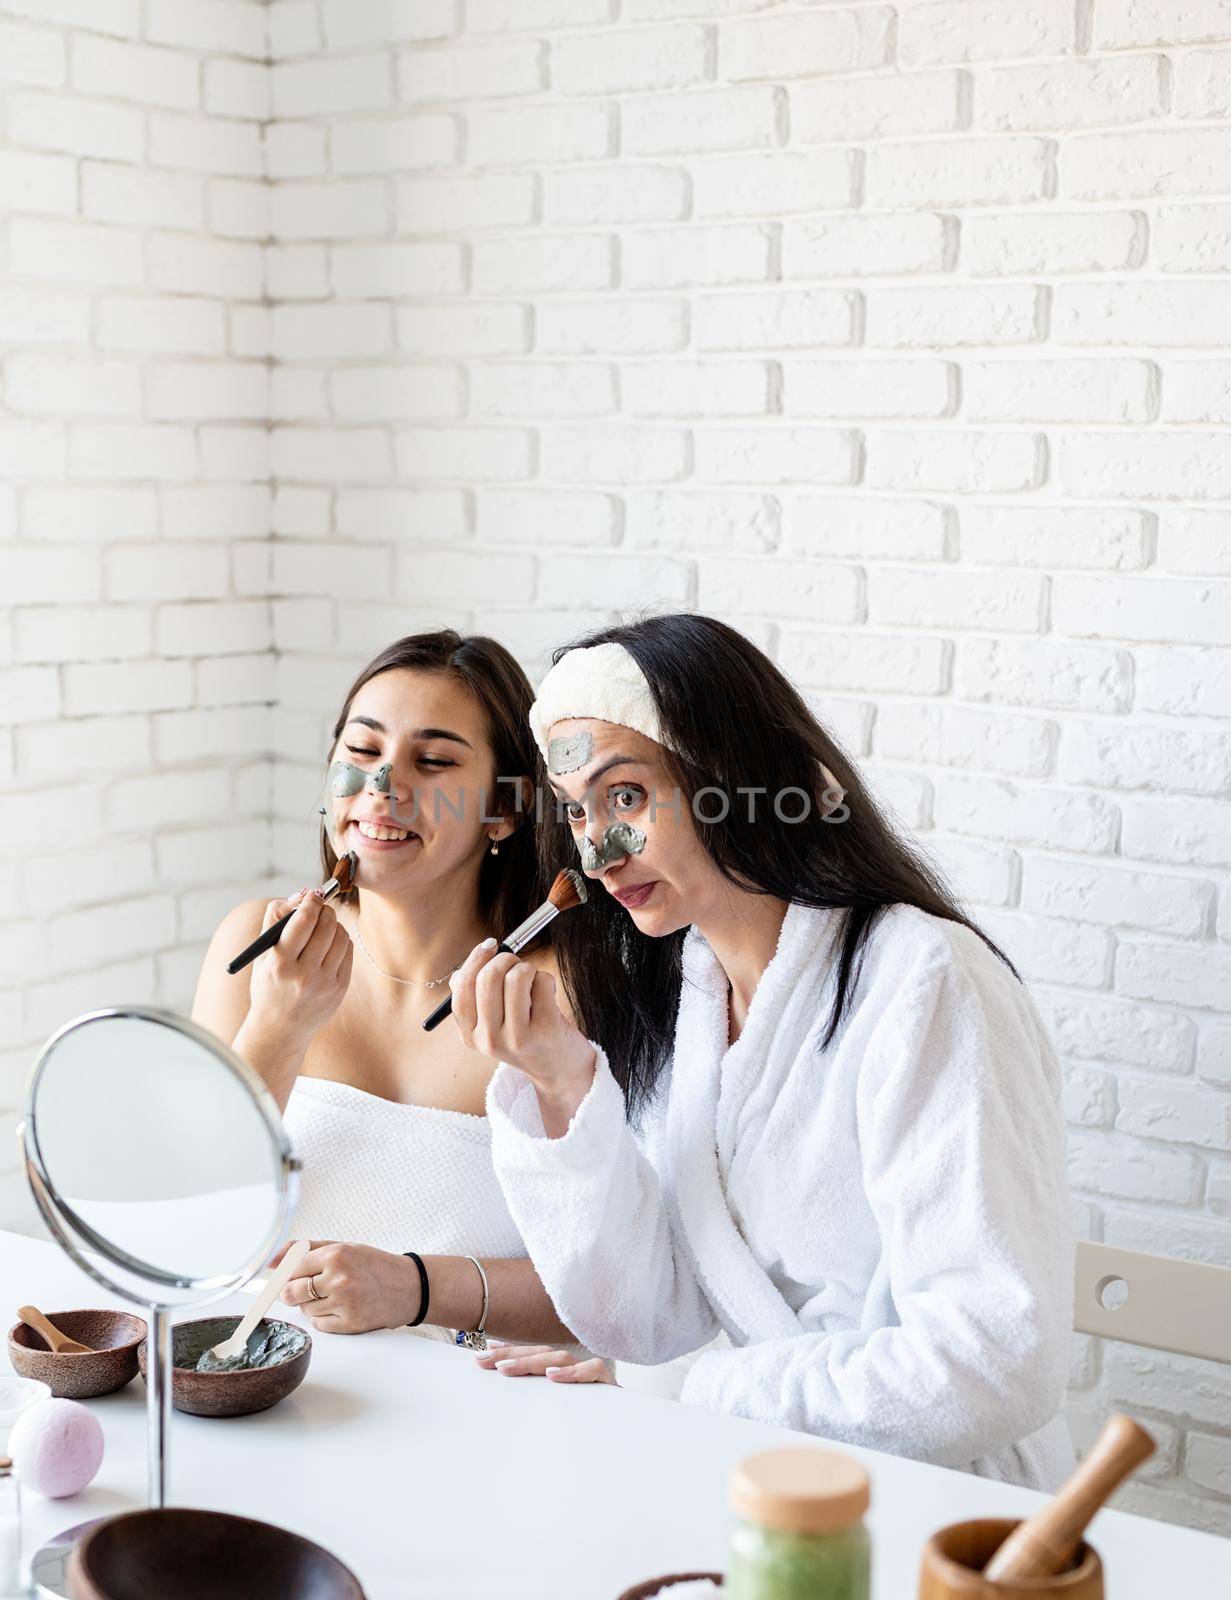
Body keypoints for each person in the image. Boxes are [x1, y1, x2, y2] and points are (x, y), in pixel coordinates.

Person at [452, 614, 1077, 1488]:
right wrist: (558, 1083)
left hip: (943, 1507)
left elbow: (994, 1359)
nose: (597, 852)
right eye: (576, 812)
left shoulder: (923, 983)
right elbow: (650, 1323)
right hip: (766, 1476)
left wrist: (690, 1392)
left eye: (625, 796)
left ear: (732, 779)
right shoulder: (689, 997)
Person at [192, 630, 573, 1349]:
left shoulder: (558, 996)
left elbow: (621, 1293)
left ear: (505, 810)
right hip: (273, 1395)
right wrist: (277, 1032)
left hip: (492, 1420)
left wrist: (415, 1289)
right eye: (361, 753)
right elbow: (199, 1236)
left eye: (432, 762)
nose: (382, 786)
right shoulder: (252, 951)